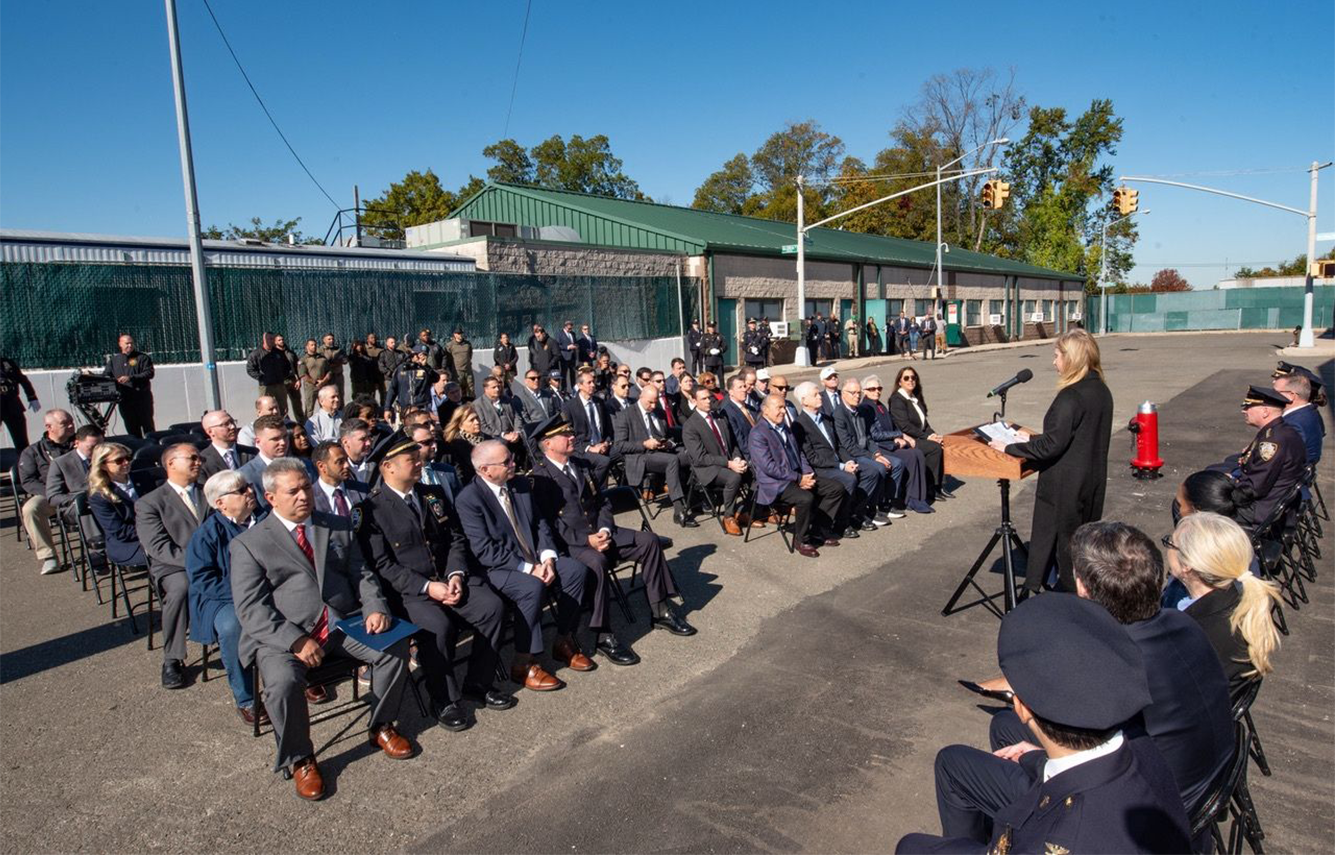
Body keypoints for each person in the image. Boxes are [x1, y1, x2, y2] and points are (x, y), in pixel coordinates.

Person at [964, 522, 1233, 830]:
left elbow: (1092, 754)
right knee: (1005, 724)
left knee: (956, 765)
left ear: (1083, 589)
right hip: (1204, 784)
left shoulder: (1114, 665)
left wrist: (1042, 757)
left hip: (1144, 812)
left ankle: (1022, 836)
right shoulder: (1182, 623)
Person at [897, 593, 1192, 854]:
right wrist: (1035, 758)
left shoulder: (1057, 843)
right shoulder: (1140, 743)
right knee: (956, 760)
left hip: (1035, 830)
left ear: (1021, 708)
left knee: (910, 846)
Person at [230, 458, 415, 800]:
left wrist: (375, 606)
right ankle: (300, 758)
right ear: (271, 497)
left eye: (306, 487)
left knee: (395, 649)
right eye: (293, 491)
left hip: (340, 622)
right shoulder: (249, 544)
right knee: (283, 684)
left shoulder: (336, 524)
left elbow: (361, 572)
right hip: (283, 634)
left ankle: (381, 725)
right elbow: (251, 608)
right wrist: (294, 639)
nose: (304, 496)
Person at [357, 432, 514, 732]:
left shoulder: (433, 494)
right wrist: (429, 587)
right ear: (388, 466)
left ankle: (478, 682)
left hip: (448, 579)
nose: (419, 462)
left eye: (418, 456)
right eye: (410, 458)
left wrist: (456, 574)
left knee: (492, 607)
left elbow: (455, 539)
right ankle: (443, 698)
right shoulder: (370, 510)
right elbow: (382, 565)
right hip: (410, 593)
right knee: (437, 627)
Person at [531, 414, 695, 653]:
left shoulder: (580, 464)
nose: (572, 437)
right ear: (548, 443)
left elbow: (602, 503)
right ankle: (603, 635)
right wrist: (586, 540)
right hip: (573, 544)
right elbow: (547, 524)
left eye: (570, 432)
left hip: (600, 532)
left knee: (648, 541)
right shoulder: (539, 478)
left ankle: (661, 611)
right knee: (596, 562)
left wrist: (605, 529)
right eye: (564, 434)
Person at [455, 440, 594, 693]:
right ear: (485, 470)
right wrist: (530, 568)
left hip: (535, 559)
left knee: (575, 570)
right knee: (531, 588)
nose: (514, 464)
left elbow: (539, 523)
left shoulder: (518, 484)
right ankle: (524, 662)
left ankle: (564, 639)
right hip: (497, 568)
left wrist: (549, 557)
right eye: (506, 462)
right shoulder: (469, 499)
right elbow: (484, 550)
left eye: (511, 458)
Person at [988, 330, 1111, 594]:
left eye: (1056, 356)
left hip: (1064, 487)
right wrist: (1032, 437)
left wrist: (1009, 446)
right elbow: (1074, 435)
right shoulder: (1100, 389)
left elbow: (1052, 446)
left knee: (1066, 550)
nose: (1054, 362)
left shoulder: (1071, 396)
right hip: (1089, 482)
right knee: (1082, 546)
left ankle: (1065, 601)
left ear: (1072, 358)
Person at [1165, 511, 1282, 696]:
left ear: (1187, 565)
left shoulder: (1191, 635)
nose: (1167, 549)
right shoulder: (1240, 602)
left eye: (1170, 543)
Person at [186, 470, 266, 725]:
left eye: (249, 487)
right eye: (241, 491)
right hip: (223, 597)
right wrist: (244, 595)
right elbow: (202, 578)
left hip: (269, 588)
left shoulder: (266, 519)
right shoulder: (207, 535)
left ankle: (306, 676)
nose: (250, 492)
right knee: (233, 627)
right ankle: (246, 698)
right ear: (220, 503)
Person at [136, 442, 207, 689]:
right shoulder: (150, 503)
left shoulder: (209, 492)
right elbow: (158, 547)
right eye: (193, 458)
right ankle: (173, 658)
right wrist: (198, 562)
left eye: (199, 458)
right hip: (174, 566)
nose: (199, 462)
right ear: (171, 463)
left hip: (214, 559)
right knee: (181, 589)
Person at [749, 396, 846, 557]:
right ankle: (802, 539)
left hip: (797, 476)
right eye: (778, 408)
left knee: (836, 488)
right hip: (775, 483)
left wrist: (807, 473)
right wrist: (798, 479)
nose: (783, 410)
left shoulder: (784, 427)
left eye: (783, 407)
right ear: (765, 410)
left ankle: (818, 530)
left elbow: (799, 453)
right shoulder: (758, 433)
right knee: (805, 498)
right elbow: (769, 467)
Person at [614, 384, 696, 528]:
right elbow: (619, 445)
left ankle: (694, 497)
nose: (653, 405)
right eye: (649, 402)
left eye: (655, 401)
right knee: (672, 461)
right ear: (641, 397)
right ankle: (679, 510)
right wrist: (644, 444)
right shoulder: (626, 415)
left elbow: (668, 435)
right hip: (641, 455)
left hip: (661, 450)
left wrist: (667, 444)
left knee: (690, 455)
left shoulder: (659, 412)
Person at [1227, 385, 1306, 531]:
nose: (1243, 410)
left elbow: (1254, 489)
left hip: (1261, 509)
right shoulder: (1280, 431)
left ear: (1265, 411)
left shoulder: (1272, 441)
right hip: (1270, 502)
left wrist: (1223, 492)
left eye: (1249, 406)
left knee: (1194, 502)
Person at [793, 381, 861, 539]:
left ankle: (855, 514)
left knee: (862, 471)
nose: (820, 397)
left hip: (836, 463)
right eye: (815, 395)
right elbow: (812, 457)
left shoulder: (825, 418)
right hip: (821, 468)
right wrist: (841, 466)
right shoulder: (799, 425)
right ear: (804, 400)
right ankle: (840, 524)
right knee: (849, 480)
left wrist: (848, 461)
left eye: (819, 393)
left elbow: (837, 446)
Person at [830, 378, 900, 526]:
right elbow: (847, 445)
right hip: (851, 455)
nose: (857, 396)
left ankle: (880, 506)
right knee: (877, 469)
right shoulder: (839, 414)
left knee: (894, 464)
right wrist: (873, 458)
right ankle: (861, 511)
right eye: (853, 393)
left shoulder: (860, 410)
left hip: (865, 451)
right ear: (843, 394)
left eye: (859, 392)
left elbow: (868, 437)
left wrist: (877, 454)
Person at [683, 386, 751, 536]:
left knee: (754, 471)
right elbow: (700, 458)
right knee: (734, 477)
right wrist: (729, 463)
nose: (709, 401)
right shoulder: (690, 426)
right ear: (694, 401)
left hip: (728, 461)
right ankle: (729, 517)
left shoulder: (719, 417)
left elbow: (731, 443)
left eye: (710, 398)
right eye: (704, 399)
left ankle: (744, 511)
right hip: (707, 469)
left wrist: (737, 458)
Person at [859, 375, 932, 514]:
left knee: (918, 453)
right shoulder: (865, 407)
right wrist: (896, 436)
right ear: (865, 391)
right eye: (872, 389)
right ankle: (909, 498)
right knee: (910, 456)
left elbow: (892, 426)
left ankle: (918, 497)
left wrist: (902, 436)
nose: (876, 391)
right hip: (881, 447)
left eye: (879, 388)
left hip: (890, 442)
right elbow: (874, 435)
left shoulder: (880, 406)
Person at [17, 409, 75, 574]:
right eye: (65, 423)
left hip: (81, 491)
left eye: (71, 421)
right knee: (31, 508)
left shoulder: (81, 443)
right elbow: (28, 481)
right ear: (49, 427)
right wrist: (52, 493)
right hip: (51, 496)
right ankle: (49, 556)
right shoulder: (33, 452)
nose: (71, 425)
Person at [888, 367, 949, 501]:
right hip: (907, 438)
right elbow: (904, 425)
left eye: (913, 377)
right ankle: (930, 488)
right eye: (906, 378)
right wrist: (927, 437)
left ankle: (940, 486)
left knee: (942, 443)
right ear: (899, 382)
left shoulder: (915, 398)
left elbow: (924, 423)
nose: (910, 380)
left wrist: (933, 435)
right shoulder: (897, 400)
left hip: (919, 435)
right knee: (934, 448)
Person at [87, 442, 147, 568]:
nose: (126, 463)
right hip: (129, 544)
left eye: (128, 458)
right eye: (119, 460)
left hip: (154, 533)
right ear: (103, 465)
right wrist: (153, 530)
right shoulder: (99, 496)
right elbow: (119, 531)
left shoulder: (144, 478)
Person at [562, 368, 617, 486]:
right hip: (582, 449)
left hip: (602, 445)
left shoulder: (599, 403)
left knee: (626, 454)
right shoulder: (569, 407)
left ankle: (627, 491)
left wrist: (606, 443)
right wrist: (589, 448)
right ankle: (592, 491)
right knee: (603, 462)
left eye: (594, 381)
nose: (593, 385)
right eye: (589, 382)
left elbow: (608, 429)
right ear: (579, 385)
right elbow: (568, 435)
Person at [46, 423, 104, 523]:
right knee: (91, 506)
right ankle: (96, 539)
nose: (97, 452)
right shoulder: (61, 463)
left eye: (101, 447)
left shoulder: (109, 457)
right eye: (91, 447)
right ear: (76, 443)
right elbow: (53, 497)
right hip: (79, 504)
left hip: (107, 498)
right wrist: (81, 498)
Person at [104, 333, 156, 437]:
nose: (130, 345)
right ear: (120, 344)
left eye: (131, 343)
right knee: (131, 426)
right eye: (127, 343)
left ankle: (152, 445)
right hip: (125, 400)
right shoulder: (114, 360)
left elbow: (149, 373)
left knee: (148, 426)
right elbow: (106, 375)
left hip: (142, 399)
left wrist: (130, 377)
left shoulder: (142, 358)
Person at [1273, 367, 1325, 464]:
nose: (1271, 395)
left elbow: (1285, 460)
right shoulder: (1306, 412)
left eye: (1276, 392)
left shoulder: (1293, 423)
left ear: (1292, 395)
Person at [310, 441, 368, 517]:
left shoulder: (362, 489)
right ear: (321, 466)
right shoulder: (310, 498)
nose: (347, 465)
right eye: (340, 462)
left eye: (346, 460)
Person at [384, 346, 439, 422]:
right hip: (405, 408)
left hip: (421, 407)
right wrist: (387, 408)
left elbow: (436, 378)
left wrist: (425, 366)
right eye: (420, 355)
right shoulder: (401, 368)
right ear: (413, 355)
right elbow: (392, 389)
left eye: (425, 355)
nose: (422, 357)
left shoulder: (425, 369)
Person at [199, 410, 254, 480]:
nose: (232, 427)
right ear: (210, 431)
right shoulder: (203, 461)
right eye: (225, 424)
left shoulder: (252, 453)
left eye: (232, 422)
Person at [0, 355, 40, 451]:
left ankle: (25, 463)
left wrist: (32, 397)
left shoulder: (7, 363)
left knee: (21, 440)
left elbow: (22, 379)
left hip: (12, 405)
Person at [442, 404, 486, 484]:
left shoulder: (488, 439)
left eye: (477, 418)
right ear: (460, 425)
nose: (477, 422)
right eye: (471, 420)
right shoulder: (455, 446)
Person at [296, 338, 331, 422]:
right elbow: (303, 375)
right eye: (312, 345)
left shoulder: (322, 358)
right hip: (311, 388)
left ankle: (326, 423)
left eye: (315, 345)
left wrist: (323, 381)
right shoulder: (303, 360)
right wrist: (315, 382)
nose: (314, 346)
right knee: (309, 409)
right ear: (307, 347)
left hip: (323, 386)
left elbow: (329, 371)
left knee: (326, 407)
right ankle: (307, 427)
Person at [272, 334, 305, 421]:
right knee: (282, 404)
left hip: (293, 380)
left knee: (297, 403)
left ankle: (302, 422)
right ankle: (286, 423)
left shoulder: (290, 353)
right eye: (279, 340)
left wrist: (298, 379)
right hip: (281, 382)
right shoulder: (273, 354)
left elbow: (297, 366)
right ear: (275, 342)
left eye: (282, 339)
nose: (281, 341)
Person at [339, 419, 376, 484]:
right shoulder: (336, 467)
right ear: (345, 442)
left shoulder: (377, 461)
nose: (368, 443)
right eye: (362, 439)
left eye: (369, 437)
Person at [444, 328, 474, 399]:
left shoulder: (467, 344)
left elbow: (470, 355)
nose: (460, 335)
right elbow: (448, 358)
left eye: (461, 333)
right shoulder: (450, 345)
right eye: (458, 333)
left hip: (468, 371)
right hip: (457, 372)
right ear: (455, 335)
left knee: (471, 389)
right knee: (457, 390)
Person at [376, 336, 404, 408]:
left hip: (399, 378)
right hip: (388, 379)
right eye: (391, 342)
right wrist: (389, 373)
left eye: (394, 342)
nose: (393, 344)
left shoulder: (400, 353)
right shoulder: (383, 354)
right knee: (388, 395)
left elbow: (405, 363)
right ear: (387, 343)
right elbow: (381, 366)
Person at [319, 333, 347, 402]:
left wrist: (333, 363)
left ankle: (340, 412)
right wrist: (334, 363)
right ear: (324, 340)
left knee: (339, 396)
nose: (331, 341)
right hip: (327, 378)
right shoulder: (320, 350)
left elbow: (345, 360)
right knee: (328, 397)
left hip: (338, 377)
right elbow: (321, 363)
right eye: (329, 339)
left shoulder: (338, 350)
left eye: (332, 339)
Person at [554, 320, 579, 390]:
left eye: (571, 328)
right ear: (565, 326)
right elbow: (557, 345)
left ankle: (574, 389)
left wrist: (575, 346)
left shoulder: (573, 334)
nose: (570, 329)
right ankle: (564, 389)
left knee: (573, 374)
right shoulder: (560, 334)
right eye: (569, 328)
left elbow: (575, 342)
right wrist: (567, 347)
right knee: (564, 374)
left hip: (572, 357)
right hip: (564, 357)